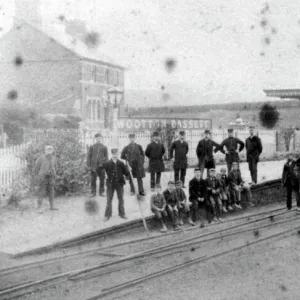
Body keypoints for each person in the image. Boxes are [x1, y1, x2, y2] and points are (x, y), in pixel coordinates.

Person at [103, 149, 130, 221]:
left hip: (119, 183)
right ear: (111, 154)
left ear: (118, 154)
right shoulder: (107, 163)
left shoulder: (121, 163)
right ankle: (107, 215)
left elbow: (126, 173)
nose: (115, 155)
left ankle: (122, 214)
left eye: (116, 154)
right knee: (109, 199)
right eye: (113, 154)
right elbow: (101, 171)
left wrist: (128, 169)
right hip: (110, 184)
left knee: (121, 199)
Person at [34, 145, 57, 211]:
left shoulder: (54, 158)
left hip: (51, 178)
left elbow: (55, 167)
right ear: (45, 151)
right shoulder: (41, 158)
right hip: (43, 178)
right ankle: (39, 208)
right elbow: (36, 169)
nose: (49, 151)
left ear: (52, 151)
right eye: (47, 150)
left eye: (50, 150)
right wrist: (38, 176)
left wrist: (54, 174)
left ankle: (52, 206)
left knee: (51, 192)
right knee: (41, 192)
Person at [87, 133, 108, 197]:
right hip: (94, 166)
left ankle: (101, 192)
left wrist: (104, 165)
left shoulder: (104, 147)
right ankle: (93, 192)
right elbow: (89, 157)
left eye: (100, 138)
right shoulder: (92, 147)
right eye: (97, 138)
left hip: (101, 167)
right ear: (95, 139)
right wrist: (89, 166)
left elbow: (106, 157)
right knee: (93, 180)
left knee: (102, 180)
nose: (98, 139)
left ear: (101, 138)